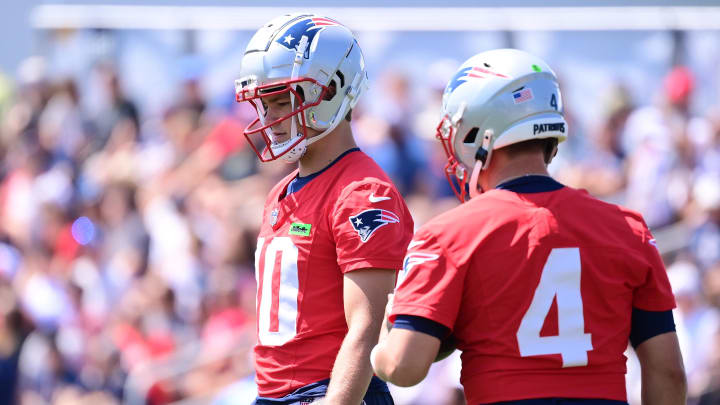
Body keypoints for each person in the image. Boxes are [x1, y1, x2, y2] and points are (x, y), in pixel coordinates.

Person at [370, 49, 687, 405]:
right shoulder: (629, 230)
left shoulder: (449, 234)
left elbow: (403, 366)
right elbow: (668, 371)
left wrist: (384, 335)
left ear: (478, 132)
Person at [234, 13, 413, 404]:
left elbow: (367, 327)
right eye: (264, 104)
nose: (270, 119)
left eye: (281, 100)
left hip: (331, 391)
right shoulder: (281, 190)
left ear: (330, 90)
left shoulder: (363, 193)